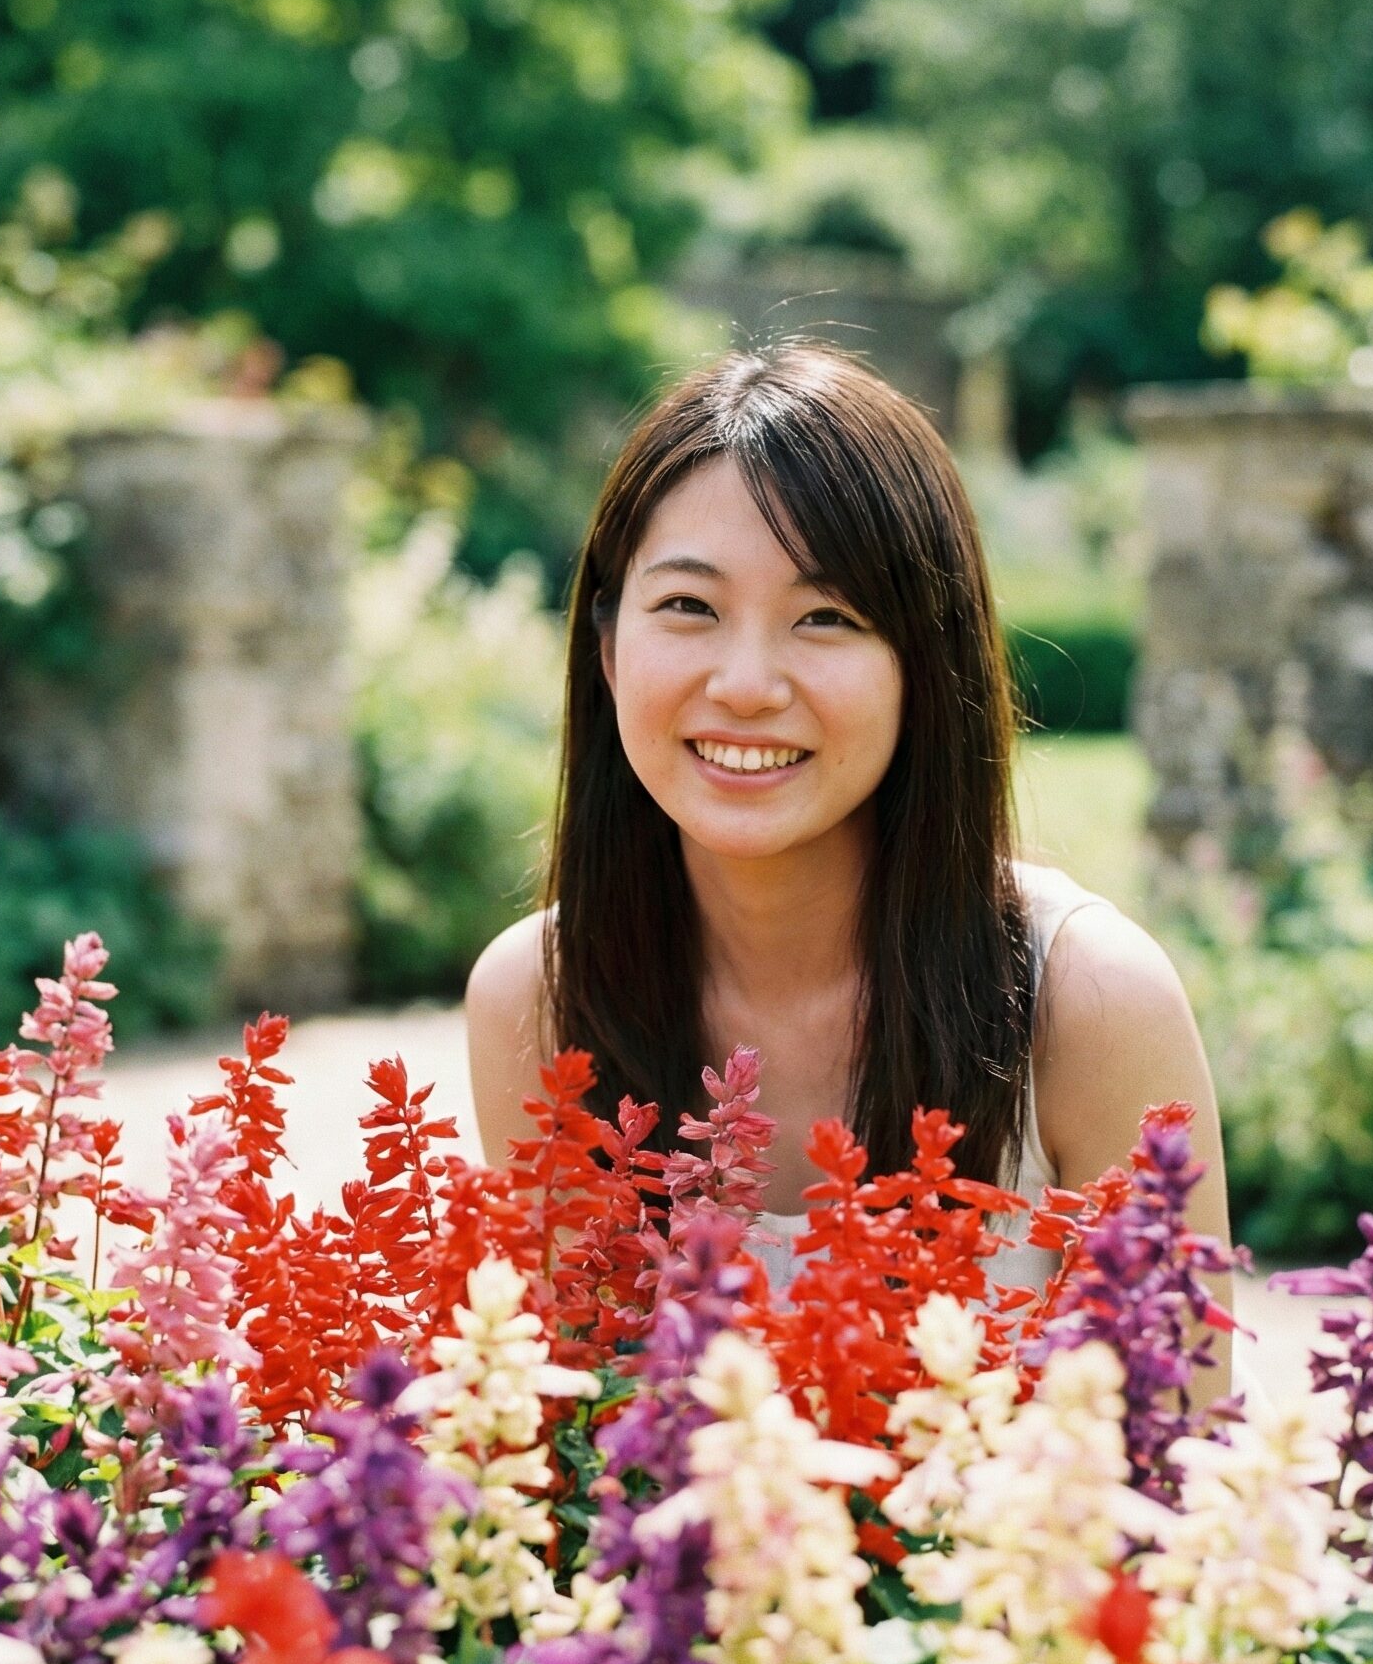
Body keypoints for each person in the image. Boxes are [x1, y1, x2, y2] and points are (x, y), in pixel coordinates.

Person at [465, 342, 1232, 1361]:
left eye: (824, 617)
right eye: (687, 606)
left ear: (926, 660)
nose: (744, 683)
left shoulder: (1083, 1001)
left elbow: (1180, 1470)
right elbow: (550, 1449)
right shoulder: (538, 996)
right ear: (605, 647)